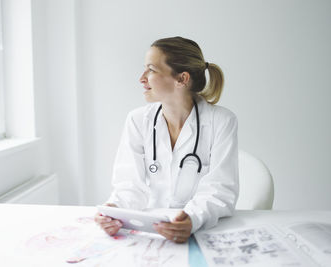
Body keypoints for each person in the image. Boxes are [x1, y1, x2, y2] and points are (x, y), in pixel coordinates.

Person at [94, 36, 238, 243]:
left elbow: (220, 191)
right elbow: (129, 186)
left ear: (182, 79)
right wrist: (114, 211)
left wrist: (192, 218)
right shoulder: (137, 120)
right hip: (152, 231)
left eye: (151, 70)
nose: (142, 78)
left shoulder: (222, 121)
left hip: (203, 233)